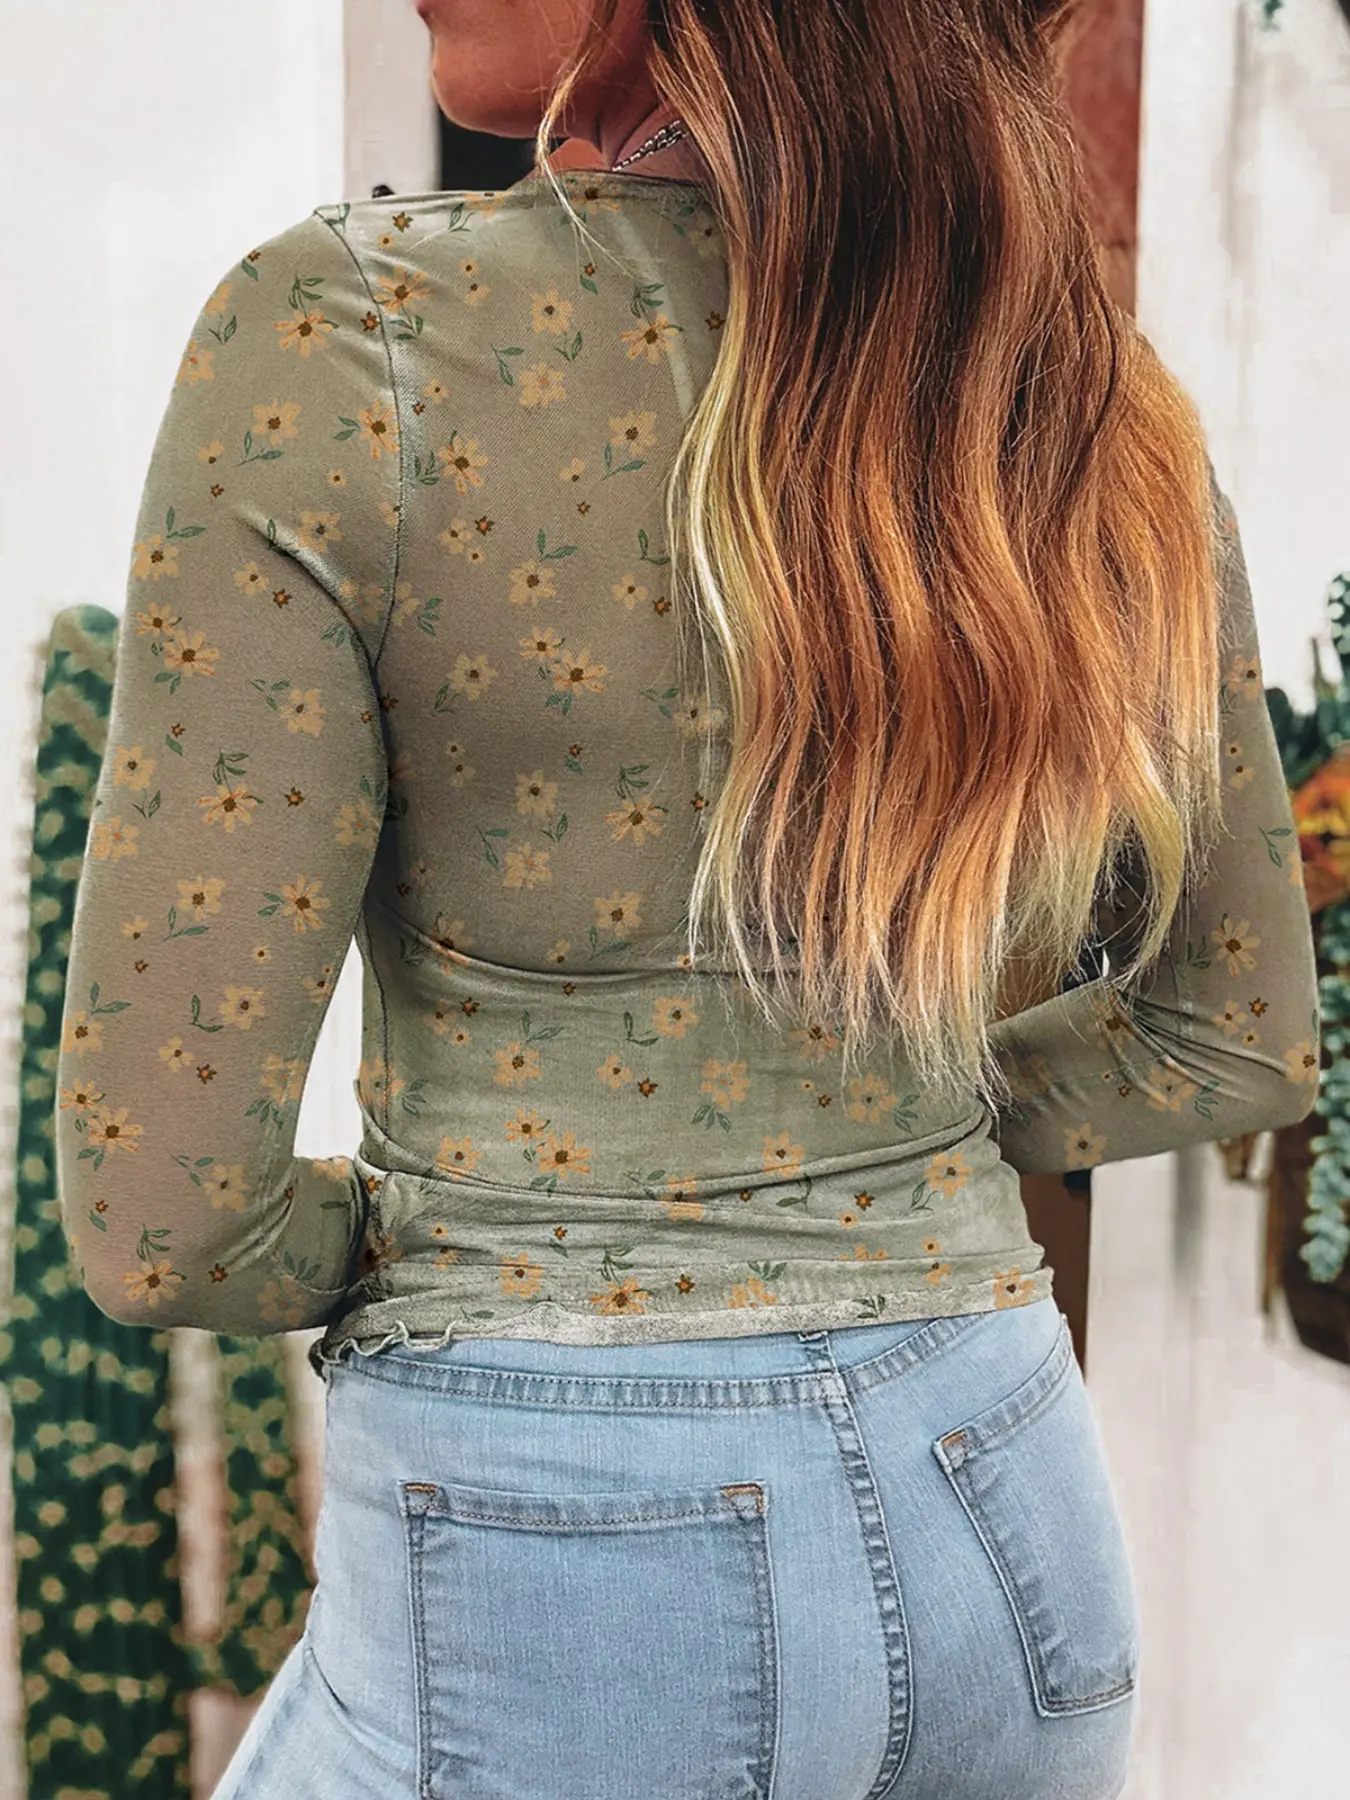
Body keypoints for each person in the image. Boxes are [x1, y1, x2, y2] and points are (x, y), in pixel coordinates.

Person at [55, 0, 1321, 1795]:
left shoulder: (350, 343)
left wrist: (473, 1226)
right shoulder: (1076, 393)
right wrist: (884, 1140)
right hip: (1006, 1501)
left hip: (567, 1544)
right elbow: (1238, 1037)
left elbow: (165, 1217)